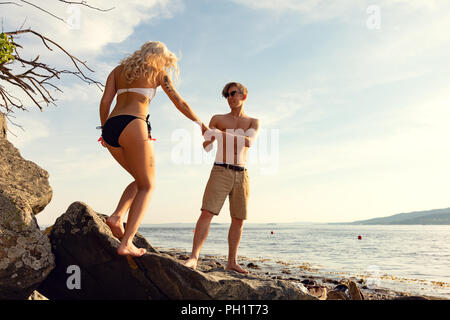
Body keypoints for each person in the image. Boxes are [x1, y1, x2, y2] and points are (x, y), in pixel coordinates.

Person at [99, 41, 208, 257]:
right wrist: (201, 124)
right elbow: (180, 102)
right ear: (160, 57)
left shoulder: (117, 71)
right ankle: (127, 242)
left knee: (140, 180)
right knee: (148, 186)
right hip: (134, 124)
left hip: (111, 126)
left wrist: (104, 131)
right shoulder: (157, 73)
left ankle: (117, 217)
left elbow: (105, 102)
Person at [183, 82, 260, 274]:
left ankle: (232, 262)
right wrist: (209, 137)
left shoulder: (253, 122)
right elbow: (207, 146)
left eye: (233, 93)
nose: (229, 98)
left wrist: (221, 133)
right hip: (220, 171)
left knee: (238, 219)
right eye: (226, 95)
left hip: (242, 173)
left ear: (244, 95)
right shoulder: (217, 118)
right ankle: (194, 257)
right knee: (207, 212)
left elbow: (249, 142)